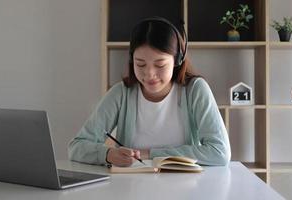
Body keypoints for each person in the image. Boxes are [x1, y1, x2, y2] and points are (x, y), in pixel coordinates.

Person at [68, 17, 231, 167]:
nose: (149, 74)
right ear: (132, 60)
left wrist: (150, 154)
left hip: (185, 188)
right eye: (140, 64)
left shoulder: (195, 90)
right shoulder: (121, 93)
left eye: (160, 65)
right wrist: (108, 154)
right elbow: (76, 146)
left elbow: (220, 152)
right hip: (131, 187)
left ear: (177, 61)